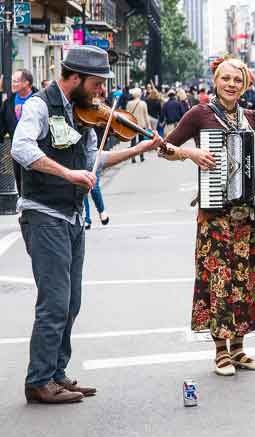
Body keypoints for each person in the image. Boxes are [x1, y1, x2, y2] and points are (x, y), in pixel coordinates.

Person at [11, 45, 162, 403]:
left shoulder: (84, 114)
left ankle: (56, 373)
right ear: (75, 78)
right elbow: (21, 148)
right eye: (97, 83)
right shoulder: (39, 106)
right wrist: (68, 173)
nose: (102, 91)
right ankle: (38, 380)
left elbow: (96, 159)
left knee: (71, 302)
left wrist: (140, 149)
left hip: (73, 216)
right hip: (44, 213)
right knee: (55, 301)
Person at [161, 57, 255, 377]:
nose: (231, 84)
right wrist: (190, 153)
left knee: (245, 279)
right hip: (215, 213)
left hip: (248, 214)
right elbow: (164, 148)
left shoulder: (253, 118)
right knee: (218, 279)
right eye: (226, 78)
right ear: (216, 81)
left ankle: (239, 350)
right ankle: (221, 352)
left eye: (238, 80)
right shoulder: (199, 114)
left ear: (245, 85)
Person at [0, 68, 35, 192]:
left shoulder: (40, 99)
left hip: (37, 150)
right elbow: (2, 126)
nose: (12, 84)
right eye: (12, 81)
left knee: (37, 186)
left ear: (26, 83)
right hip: (18, 152)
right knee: (21, 186)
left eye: (16, 81)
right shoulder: (8, 103)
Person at [126, 87, 152, 164]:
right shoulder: (143, 103)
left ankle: (133, 157)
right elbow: (146, 115)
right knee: (141, 141)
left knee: (133, 142)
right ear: (140, 94)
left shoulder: (129, 103)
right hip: (141, 125)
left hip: (132, 124)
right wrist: (149, 125)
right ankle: (141, 156)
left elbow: (127, 115)